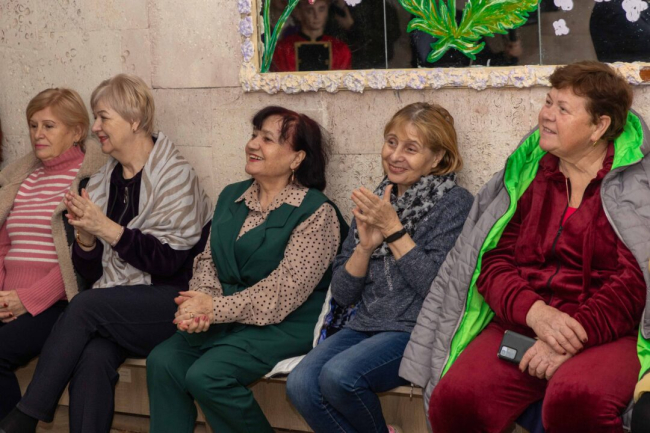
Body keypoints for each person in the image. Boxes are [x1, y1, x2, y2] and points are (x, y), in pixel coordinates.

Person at [399, 61, 650, 433]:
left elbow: (635, 282)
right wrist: (535, 314)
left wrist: (570, 336)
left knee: (575, 400)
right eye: (548, 102)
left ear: (599, 126)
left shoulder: (637, 185)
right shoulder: (529, 174)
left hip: (608, 331)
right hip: (525, 320)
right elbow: (492, 260)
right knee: (456, 399)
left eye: (562, 109)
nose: (546, 115)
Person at [0, 74, 212, 433]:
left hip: (172, 302)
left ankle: (26, 416)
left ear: (134, 120)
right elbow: (92, 274)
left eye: (103, 117)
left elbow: (168, 262)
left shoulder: (176, 176)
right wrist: (85, 240)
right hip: (117, 305)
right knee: (92, 357)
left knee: (85, 307)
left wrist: (106, 229)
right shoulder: (100, 182)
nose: (95, 126)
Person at [146, 106, 348, 433]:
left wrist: (215, 309)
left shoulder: (316, 213)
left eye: (267, 139)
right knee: (163, 361)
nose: (253, 144)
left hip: (286, 322)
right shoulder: (232, 196)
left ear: (296, 158)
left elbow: (284, 292)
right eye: (254, 135)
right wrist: (200, 306)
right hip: (228, 316)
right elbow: (209, 261)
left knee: (208, 376)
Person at [286, 102, 473, 433]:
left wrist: (393, 229)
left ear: (437, 158)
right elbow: (343, 294)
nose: (395, 156)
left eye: (411, 148)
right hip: (364, 325)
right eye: (391, 142)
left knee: (340, 376)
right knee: (301, 384)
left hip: (416, 330)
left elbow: (436, 288)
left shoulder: (455, 203)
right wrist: (365, 246)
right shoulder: (375, 199)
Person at [0, 88, 107, 420]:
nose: (38, 134)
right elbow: (2, 245)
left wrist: (27, 299)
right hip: (7, 300)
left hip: (56, 304)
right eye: (33, 126)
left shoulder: (89, 181)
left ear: (76, 132)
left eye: (49, 126)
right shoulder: (22, 178)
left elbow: (77, 258)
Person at [272, 0, 352, 72]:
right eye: (310, 10)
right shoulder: (284, 49)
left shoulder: (340, 49)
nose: (316, 16)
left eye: (321, 9)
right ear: (299, 13)